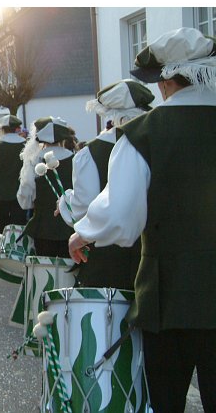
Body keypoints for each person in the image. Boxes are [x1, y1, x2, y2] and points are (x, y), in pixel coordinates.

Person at [68, 27, 216, 412]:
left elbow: (122, 218)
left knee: (166, 401)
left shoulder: (142, 134)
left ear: (166, 82)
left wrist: (82, 233)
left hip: (169, 297)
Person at [58, 79, 154, 289]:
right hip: (152, 252)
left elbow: (83, 207)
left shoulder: (90, 152)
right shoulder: (156, 138)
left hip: (108, 255)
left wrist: (64, 202)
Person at [17, 117, 76, 257]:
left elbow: (26, 190)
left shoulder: (34, 160)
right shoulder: (76, 157)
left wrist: (29, 205)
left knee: (44, 265)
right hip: (71, 226)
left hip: (43, 225)